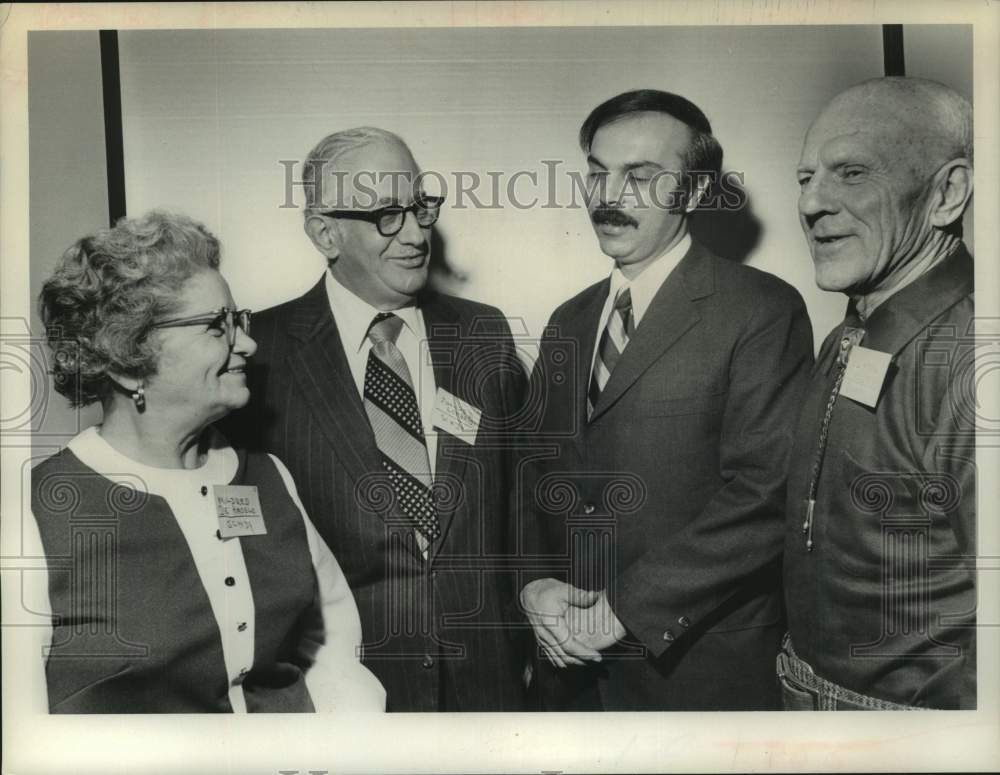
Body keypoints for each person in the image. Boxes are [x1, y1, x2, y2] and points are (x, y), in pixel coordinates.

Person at [519, 89, 814, 710]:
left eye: (640, 177)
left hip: (697, 675)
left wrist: (625, 610)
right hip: (572, 675)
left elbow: (764, 495)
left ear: (698, 192)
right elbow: (535, 477)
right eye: (597, 174)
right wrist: (533, 588)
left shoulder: (761, 309)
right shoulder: (567, 322)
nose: (608, 197)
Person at [29, 211, 385, 713]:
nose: (248, 343)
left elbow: (330, 641)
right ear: (126, 359)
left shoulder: (266, 477)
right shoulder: (32, 513)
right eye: (217, 326)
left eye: (239, 320)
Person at [223, 127, 527, 711]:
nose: (416, 234)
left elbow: (521, 504)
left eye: (420, 207)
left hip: (490, 685)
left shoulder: (484, 333)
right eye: (387, 215)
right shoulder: (259, 351)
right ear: (324, 232)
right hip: (346, 695)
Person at [781, 77, 976, 710]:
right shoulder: (853, 328)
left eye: (851, 173)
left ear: (947, 194)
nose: (812, 203)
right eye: (806, 177)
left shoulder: (974, 358)